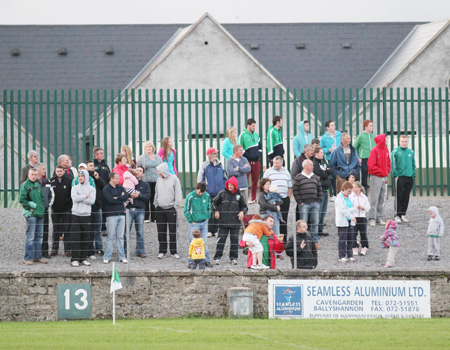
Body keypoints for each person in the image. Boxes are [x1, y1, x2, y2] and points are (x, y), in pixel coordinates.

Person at [212, 176, 248, 265]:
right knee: (221, 240)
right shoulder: (222, 193)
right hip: (223, 222)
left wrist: (242, 212)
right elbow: (213, 203)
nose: (230, 186)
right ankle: (217, 257)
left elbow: (245, 207)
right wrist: (216, 211)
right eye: (229, 185)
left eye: (232, 185)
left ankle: (233, 258)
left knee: (234, 241)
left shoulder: (239, 196)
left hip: (235, 223)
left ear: (235, 186)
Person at [154, 163, 182, 259]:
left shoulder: (174, 179)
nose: (158, 173)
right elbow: (156, 192)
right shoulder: (158, 180)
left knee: (173, 231)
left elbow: (178, 192)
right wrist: (156, 204)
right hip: (160, 208)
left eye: (159, 171)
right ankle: (162, 251)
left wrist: (176, 205)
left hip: (171, 208)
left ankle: (174, 251)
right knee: (161, 231)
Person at [19, 168, 48, 266]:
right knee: (30, 236)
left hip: (40, 213)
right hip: (31, 215)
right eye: (32, 174)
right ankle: (28, 258)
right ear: (28, 175)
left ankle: (37, 256)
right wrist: (29, 207)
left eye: (35, 174)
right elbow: (22, 199)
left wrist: (42, 208)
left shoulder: (37, 184)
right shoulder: (25, 185)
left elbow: (42, 198)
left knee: (39, 236)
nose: (34, 176)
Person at [197, 147, 227, 237]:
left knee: (219, 211)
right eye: (214, 153)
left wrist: (225, 189)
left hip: (220, 192)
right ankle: (209, 230)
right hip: (209, 192)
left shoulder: (220, 165)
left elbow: (225, 177)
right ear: (209, 155)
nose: (216, 155)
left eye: (216, 153)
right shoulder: (204, 165)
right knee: (209, 211)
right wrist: (202, 190)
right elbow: (200, 178)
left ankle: (217, 230)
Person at [293, 159, 322, 249]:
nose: (312, 167)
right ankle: (303, 242)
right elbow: (295, 190)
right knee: (303, 223)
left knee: (315, 223)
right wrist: (300, 202)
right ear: (305, 166)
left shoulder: (315, 177)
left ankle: (314, 242)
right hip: (304, 204)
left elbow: (319, 188)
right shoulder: (299, 177)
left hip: (314, 203)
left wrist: (318, 200)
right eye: (311, 165)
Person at [70, 170, 96, 267]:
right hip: (76, 215)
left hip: (86, 215)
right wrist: (85, 196)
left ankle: (83, 258)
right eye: (79, 176)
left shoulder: (92, 189)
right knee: (75, 237)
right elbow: (74, 199)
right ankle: (75, 258)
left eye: (82, 176)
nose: (80, 178)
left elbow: (92, 200)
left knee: (86, 237)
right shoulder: (75, 188)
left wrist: (81, 198)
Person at [262, 156, 292, 240]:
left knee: (283, 219)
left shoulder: (286, 172)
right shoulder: (268, 172)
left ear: (281, 163)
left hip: (284, 199)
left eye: (277, 163)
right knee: (273, 219)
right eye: (274, 163)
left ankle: (283, 240)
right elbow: (263, 184)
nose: (275, 164)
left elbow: (290, 186)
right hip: (273, 200)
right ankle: (273, 239)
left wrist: (288, 198)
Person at [102, 172, 129, 264]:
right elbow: (109, 200)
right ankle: (107, 256)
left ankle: (122, 256)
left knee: (120, 236)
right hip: (111, 215)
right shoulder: (106, 189)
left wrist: (117, 198)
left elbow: (125, 196)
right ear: (112, 179)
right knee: (110, 236)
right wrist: (120, 198)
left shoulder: (121, 187)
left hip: (121, 214)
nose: (119, 180)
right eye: (117, 178)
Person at [184, 182, 212, 268]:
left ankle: (206, 259)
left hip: (204, 222)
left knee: (205, 242)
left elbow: (209, 206)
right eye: (200, 192)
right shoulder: (190, 197)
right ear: (197, 188)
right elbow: (186, 210)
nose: (201, 194)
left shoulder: (206, 196)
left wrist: (208, 216)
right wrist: (191, 220)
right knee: (193, 241)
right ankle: (191, 260)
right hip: (194, 222)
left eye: (202, 192)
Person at [125, 166, 150, 258]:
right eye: (137, 170)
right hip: (129, 209)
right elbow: (123, 193)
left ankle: (140, 251)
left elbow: (147, 197)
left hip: (140, 210)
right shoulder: (128, 182)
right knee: (126, 231)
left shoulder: (145, 185)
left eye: (140, 171)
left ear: (143, 174)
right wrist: (129, 194)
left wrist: (138, 196)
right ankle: (125, 251)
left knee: (140, 231)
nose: (138, 172)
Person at [367, 134, 391, 227]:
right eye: (386, 139)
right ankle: (372, 218)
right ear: (382, 140)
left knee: (382, 197)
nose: (387, 141)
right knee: (374, 198)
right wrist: (381, 171)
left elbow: (388, 162)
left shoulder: (386, 150)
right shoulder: (374, 151)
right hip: (375, 177)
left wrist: (386, 171)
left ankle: (379, 216)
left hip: (384, 177)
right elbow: (371, 165)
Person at [391, 135, 416, 223]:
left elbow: (413, 164)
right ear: (399, 142)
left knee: (406, 196)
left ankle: (403, 214)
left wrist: (413, 174)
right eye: (402, 141)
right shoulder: (395, 152)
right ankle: (397, 215)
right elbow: (393, 164)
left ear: (407, 142)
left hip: (409, 177)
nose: (404, 143)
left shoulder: (411, 152)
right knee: (399, 196)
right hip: (400, 177)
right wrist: (396, 175)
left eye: (405, 141)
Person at [50, 165, 73, 256]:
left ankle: (67, 249)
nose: (59, 173)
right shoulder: (52, 181)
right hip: (55, 209)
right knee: (56, 229)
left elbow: (72, 194)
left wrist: (68, 204)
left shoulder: (69, 180)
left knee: (67, 229)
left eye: (61, 171)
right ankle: (54, 249)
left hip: (66, 209)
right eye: (57, 171)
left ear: (64, 171)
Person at [137, 141, 162, 223]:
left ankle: (154, 217)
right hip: (146, 181)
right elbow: (138, 167)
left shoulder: (158, 157)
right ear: (145, 148)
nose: (149, 148)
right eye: (147, 147)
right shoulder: (142, 157)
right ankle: (146, 217)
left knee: (155, 198)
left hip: (157, 181)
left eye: (150, 147)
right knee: (146, 198)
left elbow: (161, 167)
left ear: (153, 148)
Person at [239, 118, 262, 203]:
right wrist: (247, 156)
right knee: (245, 180)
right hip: (247, 161)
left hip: (256, 161)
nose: (254, 127)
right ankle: (245, 199)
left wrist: (258, 154)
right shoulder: (242, 135)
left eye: (255, 126)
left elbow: (260, 147)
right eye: (253, 126)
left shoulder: (256, 135)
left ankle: (253, 199)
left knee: (255, 181)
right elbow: (240, 147)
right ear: (248, 125)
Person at [312, 147, 334, 236]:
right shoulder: (315, 163)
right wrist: (326, 172)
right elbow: (320, 173)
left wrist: (326, 172)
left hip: (325, 189)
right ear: (316, 153)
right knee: (319, 210)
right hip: (319, 189)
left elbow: (331, 170)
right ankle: (316, 230)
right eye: (321, 152)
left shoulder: (324, 161)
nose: (322, 154)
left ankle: (320, 229)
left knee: (324, 211)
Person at [86, 160, 106, 256]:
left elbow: (104, 187)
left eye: (93, 165)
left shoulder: (97, 176)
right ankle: (90, 248)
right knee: (89, 228)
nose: (92, 167)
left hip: (97, 205)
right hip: (88, 207)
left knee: (98, 228)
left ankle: (99, 247)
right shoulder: (85, 178)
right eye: (90, 166)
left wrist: (98, 179)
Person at [35, 163, 54, 259]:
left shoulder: (47, 182)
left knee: (45, 231)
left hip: (45, 211)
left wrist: (48, 205)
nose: (45, 170)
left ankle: (45, 251)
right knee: (36, 231)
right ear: (38, 170)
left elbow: (52, 195)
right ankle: (36, 252)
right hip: (36, 211)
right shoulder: (33, 182)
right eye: (43, 169)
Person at [335, 181, 357, 263]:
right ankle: (341, 256)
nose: (350, 193)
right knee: (342, 239)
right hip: (342, 222)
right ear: (343, 189)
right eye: (348, 191)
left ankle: (350, 255)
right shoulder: (338, 198)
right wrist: (351, 215)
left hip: (350, 221)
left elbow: (354, 207)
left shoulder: (351, 197)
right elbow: (342, 210)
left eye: (351, 191)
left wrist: (349, 211)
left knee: (350, 238)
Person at [353, 120, 376, 194]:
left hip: (373, 159)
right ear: (365, 127)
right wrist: (358, 157)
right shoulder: (360, 136)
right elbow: (354, 147)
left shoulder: (373, 136)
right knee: (364, 177)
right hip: (364, 159)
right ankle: (363, 193)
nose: (372, 127)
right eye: (370, 125)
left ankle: (373, 193)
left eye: (372, 125)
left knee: (373, 177)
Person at [320, 120, 341, 198]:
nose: (334, 127)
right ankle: (334, 193)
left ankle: (341, 192)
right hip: (331, 158)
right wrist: (328, 150)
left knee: (341, 175)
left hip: (340, 158)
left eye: (334, 125)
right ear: (327, 128)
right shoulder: (324, 138)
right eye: (332, 125)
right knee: (333, 176)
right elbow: (321, 148)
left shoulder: (339, 134)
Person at [350, 182, 370, 256]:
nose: (355, 189)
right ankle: (354, 246)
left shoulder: (364, 197)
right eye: (353, 188)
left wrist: (363, 208)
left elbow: (368, 207)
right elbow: (348, 207)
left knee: (363, 233)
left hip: (362, 217)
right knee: (353, 233)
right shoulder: (351, 197)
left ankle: (364, 246)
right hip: (354, 217)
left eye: (356, 187)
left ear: (359, 188)